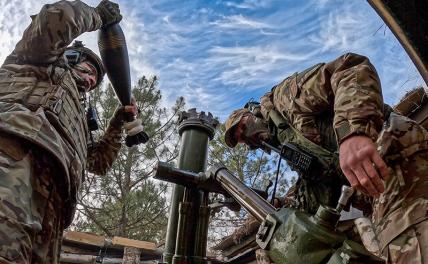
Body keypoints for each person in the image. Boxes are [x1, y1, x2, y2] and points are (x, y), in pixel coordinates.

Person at [224, 53, 428, 263]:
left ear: (252, 113)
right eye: (240, 140)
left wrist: (353, 133)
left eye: (241, 127)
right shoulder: (291, 146)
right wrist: (284, 205)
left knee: (409, 248)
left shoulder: (284, 100)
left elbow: (349, 68)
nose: (245, 137)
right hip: (376, 188)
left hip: (393, 156)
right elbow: (318, 191)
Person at [0, 0, 138, 262]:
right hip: (13, 165)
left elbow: (97, 163)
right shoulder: (37, 61)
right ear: (70, 57)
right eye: (88, 71)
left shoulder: (79, 118)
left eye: (95, 80)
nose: (90, 80)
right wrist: (96, 16)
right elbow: (55, 20)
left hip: (54, 204)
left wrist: (118, 123)